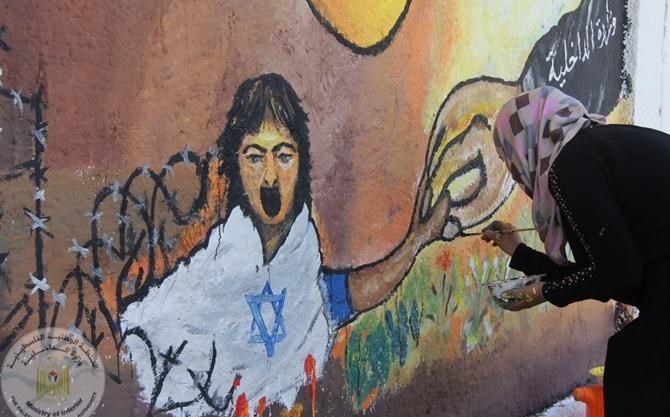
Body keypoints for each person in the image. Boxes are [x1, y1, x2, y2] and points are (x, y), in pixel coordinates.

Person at [121, 73, 450, 416]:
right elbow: (141, 345)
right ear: (236, 165)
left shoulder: (302, 270)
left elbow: (346, 294)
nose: (270, 177)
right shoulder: (206, 277)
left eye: (283, 155)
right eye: (254, 157)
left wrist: (418, 240)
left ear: (300, 161)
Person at [481, 86, 670, 416]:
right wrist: (519, 252)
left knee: (636, 379)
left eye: (508, 158)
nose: (512, 171)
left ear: (525, 144)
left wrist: (542, 292)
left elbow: (618, 273)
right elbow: (603, 272)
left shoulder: (571, 167)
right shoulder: (592, 153)